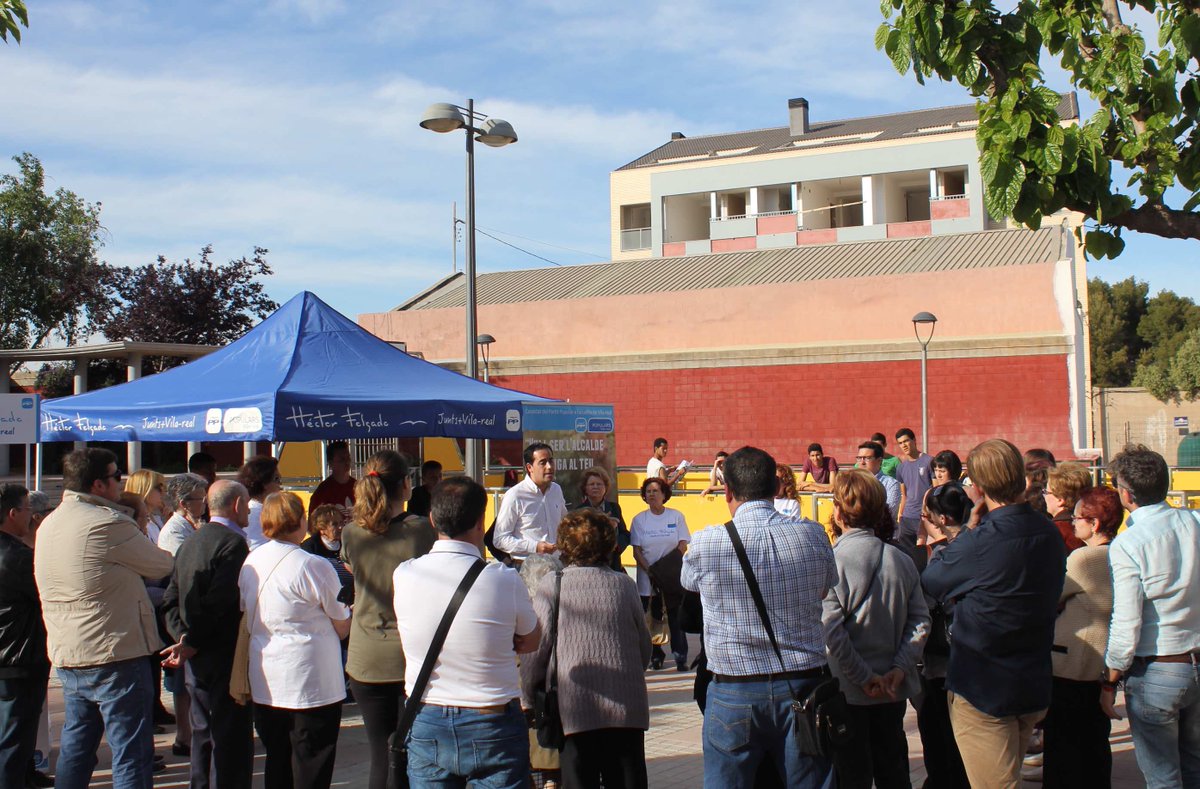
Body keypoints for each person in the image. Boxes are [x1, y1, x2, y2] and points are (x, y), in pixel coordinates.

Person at [681, 445, 837, 787]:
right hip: (802, 684)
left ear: (727, 492)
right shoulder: (813, 535)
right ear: (776, 487)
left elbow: (688, 582)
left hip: (734, 690)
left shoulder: (707, 543)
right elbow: (826, 589)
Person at [922, 439, 1066, 789]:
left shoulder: (982, 540)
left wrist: (967, 530)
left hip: (984, 686)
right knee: (1007, 774)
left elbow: (932, 580)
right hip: (1031, 677)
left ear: (980, 488)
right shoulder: (1047, 530)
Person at [35, 448, 175, 789]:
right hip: (114, 652)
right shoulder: (108, 523)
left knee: (77, 746)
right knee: (130, 752)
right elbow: (162, 564)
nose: (120, 484)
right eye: (116, 477)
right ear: (98, 485)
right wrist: (138, 523)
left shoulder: (50, 521)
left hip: (70, 652)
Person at [393, 476, 540, 788]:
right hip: (492, 720)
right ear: (480, 521)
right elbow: (531, 639)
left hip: (426, 715)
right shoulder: (504, 579)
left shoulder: (404, 574)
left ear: (432, 519)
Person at [521, 509, 652, 789]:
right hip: (626, 709)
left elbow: (535, 652)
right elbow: (643, 648)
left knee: (578, 779)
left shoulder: (551, 585)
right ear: (608, 544)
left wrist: (528, 698)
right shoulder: (624, 584)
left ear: (566, 546)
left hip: (574, 709)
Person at [822, 469, 929, 789]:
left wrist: (863, 677)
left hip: (848, 690)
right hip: (893, 688)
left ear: (839, 513)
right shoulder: (901, 559)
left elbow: (831, 631)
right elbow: (921, 620)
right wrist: (900, 667)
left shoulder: (832, 561)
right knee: (893, 771)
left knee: (851, 774)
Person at [1102, 445, 1200, 789]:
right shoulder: (1193, 522)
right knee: (1194, 769)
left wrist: (1110, 676)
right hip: (1191, 659)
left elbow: (1127, 621)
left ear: (1126, 494)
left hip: (1157, 668)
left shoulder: (1129, 543)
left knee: (1163, 779)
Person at [239, 491, 351, 789]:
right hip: (310, 679)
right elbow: (341, 622)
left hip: (267, 675)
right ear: (300, 521)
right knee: (312, 760)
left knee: (277, 757)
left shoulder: (251, 561)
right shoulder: (313, 565)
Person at [340, 450, 435, 789]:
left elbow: (350, 566)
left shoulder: (351, 533)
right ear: (406, 485)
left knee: (380, 752)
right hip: (412, 654)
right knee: (412, 752)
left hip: (365, 654)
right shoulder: (420, 531)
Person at [160, 480, 255, 789]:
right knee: (229, 734)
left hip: (196, 652)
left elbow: (170, 600)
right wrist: (190, 642)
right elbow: (220, 600)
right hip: (222, 652)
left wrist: (185, 639)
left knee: (203, 730)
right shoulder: (232, 544)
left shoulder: (192, 541)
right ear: (238, 505)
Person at [1042, 485, 1120, 789]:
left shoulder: (1084, 559)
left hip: (1071, 659)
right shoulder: (1119, 554)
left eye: (1076, 518)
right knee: (1095, 743)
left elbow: (1053, 596)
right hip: (1101, 661)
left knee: (1063, 747)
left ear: (1095, 523)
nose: (1073, 523)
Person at [916, 482, 973, 789]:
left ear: (943, 519)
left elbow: (930, 592)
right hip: (970, 656)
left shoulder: (947, 555)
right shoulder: (978, 543)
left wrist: (936, 545)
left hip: (944, 660)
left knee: (940, 734)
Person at [0, 483, 52, 789]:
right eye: (27, 511)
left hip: (14, 653)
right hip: (17, 654)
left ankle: (24, 776)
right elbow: (42, 594)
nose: (31, 517)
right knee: (14, 735)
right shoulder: (16, 555)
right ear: (13, 513)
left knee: (16, 732)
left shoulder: (16, 551)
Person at [630, 477, 690, 672]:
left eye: (656, 491)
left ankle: (681, 657)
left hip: (671, 578)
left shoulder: (676, 516)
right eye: (648, 491)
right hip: (649, 580)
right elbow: (636, 551)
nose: (652, 494)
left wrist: (665, 569)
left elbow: (683, 544)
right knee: (653, 618)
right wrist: (651, 572)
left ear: (664, 494)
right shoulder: (639, 519)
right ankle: (656, 656)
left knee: (675, 617)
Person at [492, 442, 568, 563]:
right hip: (527, 568)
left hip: (557, 565)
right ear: (529, 468)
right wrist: (535, 547)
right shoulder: (515, 495)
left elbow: (565, 523)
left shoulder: (556, 490)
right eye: (543, 462)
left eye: (551, 461)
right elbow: (500, 539)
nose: (549, 466)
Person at [571, 466, 629, 571]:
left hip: (613, 565)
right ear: (585, 488)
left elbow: (625, 534)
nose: (595, 487)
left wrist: (616, 545)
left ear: (605, 487)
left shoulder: (614, 508)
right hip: (588, 567)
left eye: (599, 484)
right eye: (592, 484)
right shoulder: (579, 511)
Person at [894, 427, 933, 570]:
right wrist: (901, 514)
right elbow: (904, 494)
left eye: (906, 441)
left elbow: (934, 490)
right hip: (907, 518)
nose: (904, 445)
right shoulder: (901, 468)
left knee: (922, 556)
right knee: (905, 556)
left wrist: (929, 512)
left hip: (924, 517)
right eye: (900, 443)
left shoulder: (929, 461)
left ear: (914, 441)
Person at [301, 505, 354, 604]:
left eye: (341, 523)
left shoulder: (349, 543)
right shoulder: (309, 548)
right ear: (321, 528)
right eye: (334, 524)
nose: (340, 527)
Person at [1043, 462, 1091, 554]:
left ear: (1060, 500)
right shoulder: (1091, 527)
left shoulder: (1052, 531)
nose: (1044, 496)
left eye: (1046, 492)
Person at [158, 473, 210, 556]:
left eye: (206, 498)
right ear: (184, 504)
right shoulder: (173, 533)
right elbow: (192, 562)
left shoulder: (198, 524)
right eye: (202, 499)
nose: (206, 502)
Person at [238, 456, 281, 550]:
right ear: (264, 483)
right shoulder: (254, 514)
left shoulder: (263, 510)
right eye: (276, 479)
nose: (280, 485)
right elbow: (255, 548)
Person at [308, 441, 356, 519]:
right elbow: (313, 522)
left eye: (348, 458)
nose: (347, 462)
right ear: (330, 463)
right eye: (342, 459)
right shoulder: (323, 491)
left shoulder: (357, 487)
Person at [855, 441, 900, 524]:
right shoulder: (852, 483)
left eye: (867, 458)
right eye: (859, 458)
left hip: (883, 534)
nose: (862, 462)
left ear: (879, 461)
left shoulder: (891, 484)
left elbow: (889, 513)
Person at [124, 469, 168, 544]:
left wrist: (169, 522)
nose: (163, 492)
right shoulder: (132, 523)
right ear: (145, 489)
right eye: (159, 488)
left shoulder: (156, 519)